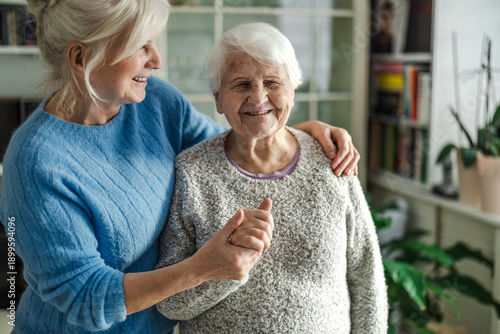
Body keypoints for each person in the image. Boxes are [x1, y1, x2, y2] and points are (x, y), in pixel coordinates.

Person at [0, 1, 360, 333]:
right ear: (81, 58)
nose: (156, 60)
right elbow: (86, 296)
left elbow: (234, 144)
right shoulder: (36, 162)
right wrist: (202, 268)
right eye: (140, 46)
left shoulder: (154, 101)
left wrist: (304, 135)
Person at [156, 22, 388, 333]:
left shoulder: (332, 159)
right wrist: (225, 267)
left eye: (272, 82)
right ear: (218, 99)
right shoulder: (192, 172)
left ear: (292, 88)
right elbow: (170, 303)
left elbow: (366, 274)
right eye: (240, 85)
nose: (258, 97)